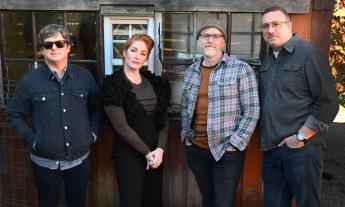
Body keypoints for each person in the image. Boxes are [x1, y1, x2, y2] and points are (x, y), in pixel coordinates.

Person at [5, 24, 103, 207]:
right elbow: (13, 114)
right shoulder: (29, 81)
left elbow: (97, 107)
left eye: (59, 43)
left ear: (68, 46)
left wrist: (92, 134)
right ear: (41, 51)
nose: (54, 48)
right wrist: (33, 140)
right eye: (48, 45)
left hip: (79, 159)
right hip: (44, 162)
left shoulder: (85, 77)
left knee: (78, 203)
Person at [259, 6, 339, 207]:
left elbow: (328, 103)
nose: (270, 30)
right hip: (271, 148)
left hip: (302, 149)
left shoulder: (308, 53)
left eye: (276, 24)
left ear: (289, 25)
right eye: (265, 26)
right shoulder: (267, 59)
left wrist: (300, 137)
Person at [181, 19, 260, 207]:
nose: (210, 40)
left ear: (223, 42)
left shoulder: (241, 69)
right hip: (196, 148)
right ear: (199, 41)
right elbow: (185, 107)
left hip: (226, 151)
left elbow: (252, 109)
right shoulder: (190, 71)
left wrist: (235, 143)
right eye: (205, 36)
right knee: (208, 201)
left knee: (223, 203)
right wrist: (186, 138)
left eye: (216, 36)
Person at [102, 34, 170, 207]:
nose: (137, 56)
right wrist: (146, 152)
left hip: (155, 156)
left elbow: (163, 118)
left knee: (153, 200)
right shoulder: (113, 85)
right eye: (133, 50)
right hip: (129, 155)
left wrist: (160, 149)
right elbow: (121, 127)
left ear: (146, 58)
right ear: (124, 52)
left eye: (142, 53)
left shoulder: (155, 83)